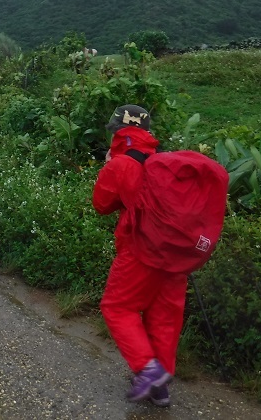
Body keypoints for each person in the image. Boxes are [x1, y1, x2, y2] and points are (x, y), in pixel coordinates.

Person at [92, 104, 182, 408]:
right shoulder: (164, 162)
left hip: (141, 250)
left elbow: (101, 204)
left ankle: (147, 369)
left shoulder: (120, 164)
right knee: (163, 316)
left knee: (117, 307)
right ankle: (160, 386)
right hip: (175, 254)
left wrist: (109, 165)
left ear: (118, 132)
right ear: (146, 132)